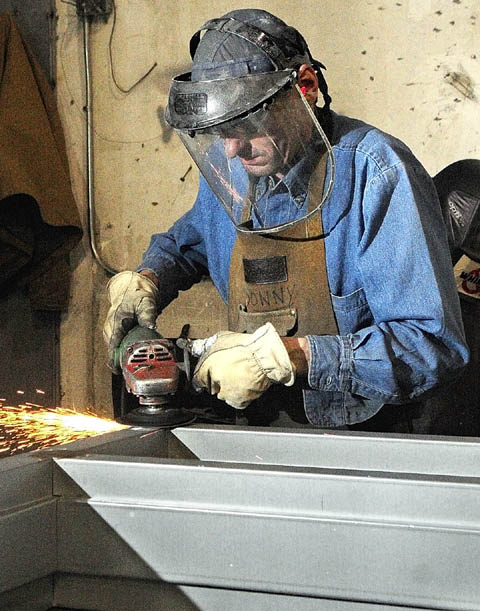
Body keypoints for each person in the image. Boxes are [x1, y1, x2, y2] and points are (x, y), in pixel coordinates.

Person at [103, 9, 469, 430]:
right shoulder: (238, 171)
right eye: (222, 131)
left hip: (369, 436)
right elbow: (192, 240)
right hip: (259, 426)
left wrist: (290, 357)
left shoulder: (377, 173)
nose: (231, 150)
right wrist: (147, 278)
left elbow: (431, 346)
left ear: (305, 87)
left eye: (247, 124)